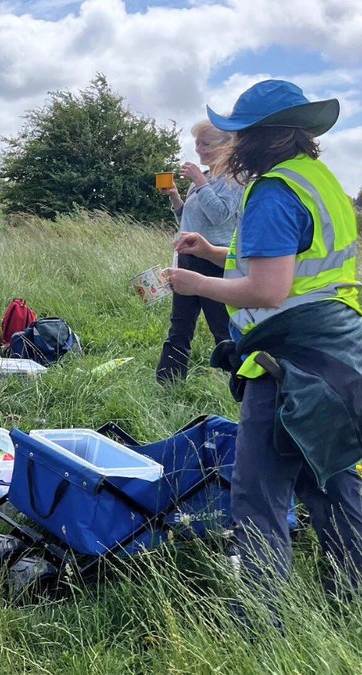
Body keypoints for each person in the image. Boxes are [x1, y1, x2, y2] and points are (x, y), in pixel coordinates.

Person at [169, 80, 362, 599]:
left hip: (288, 361)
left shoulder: (274, 190)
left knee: (257, 493)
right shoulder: (319, 179)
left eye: (239, 134)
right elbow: (291, 263)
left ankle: (260, 618)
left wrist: (195, 283)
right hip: (339, 354)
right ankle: (351, 596)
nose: (233, 144)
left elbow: (268, 289)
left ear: (262, 137)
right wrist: (213, 252)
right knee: (330, 477)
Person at [155, 121, 244, 383]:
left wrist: (201, 182)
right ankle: (168, 384)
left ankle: (239, 385)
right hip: (187, 258)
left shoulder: (234, 179)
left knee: (222, 327)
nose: (199, 149)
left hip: (214, 259)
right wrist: (175, 197)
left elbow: (219, 216)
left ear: (227, 145)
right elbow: (189, 220)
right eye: (197, 143)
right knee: (180, 324)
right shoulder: (202, 179)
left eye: (206, 143)